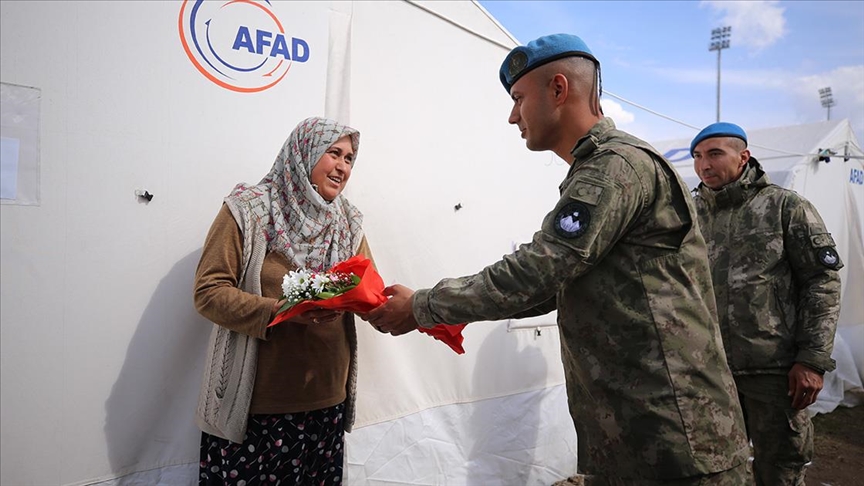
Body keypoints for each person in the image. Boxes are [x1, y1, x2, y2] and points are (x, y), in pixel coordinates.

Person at [367, 33, 751, 485]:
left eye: (518, 98)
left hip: (673, 434)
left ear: (558, 89)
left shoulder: (615, 168)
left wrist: (422, 307)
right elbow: (555, 284)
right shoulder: (600, 169)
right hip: (640, 428)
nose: (513, 116)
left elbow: (539, 268)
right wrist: (441, 310)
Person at [193, 117, 372, 485]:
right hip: (257, 406)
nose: (342, 166)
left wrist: (413, 309)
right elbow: (208, 292)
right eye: (333, 153)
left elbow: (365, 287)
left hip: (326, 400)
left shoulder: (348, 222)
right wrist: (279, 311)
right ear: (303, 153)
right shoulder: (248, 210)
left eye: (350, 158)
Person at [690, 122, 843, 486]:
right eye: (697, 156)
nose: (703, 165)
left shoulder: (785, 206)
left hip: (773, 371)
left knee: (780, 470)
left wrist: (812, 359)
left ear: (743, 157)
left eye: (714, 154)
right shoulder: (691, 215)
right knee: (714, 469)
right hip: (710, 370)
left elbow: (822, 283)